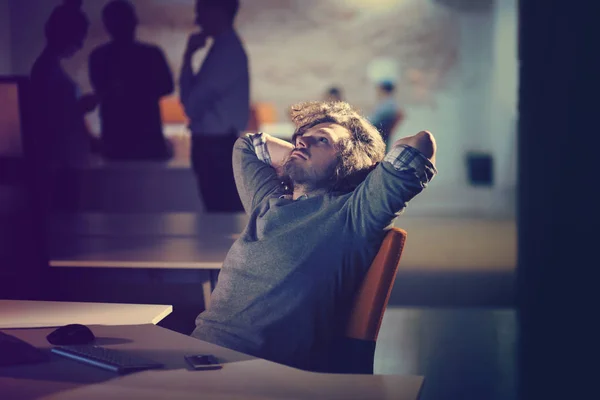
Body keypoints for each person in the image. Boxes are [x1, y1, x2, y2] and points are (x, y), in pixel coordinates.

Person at [191, 101, 437, 372]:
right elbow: (247, 145)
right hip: (200, 354)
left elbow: (420, 144)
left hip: (257, 371)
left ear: (351, 160)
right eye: (299, 137)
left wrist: (355, 170)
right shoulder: (267, 202)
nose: (301, 142)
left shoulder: (355, 213)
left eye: (321, 140)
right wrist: (307, 153)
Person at [179, 0, 249, 212]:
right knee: (222, 213)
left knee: (220, 212)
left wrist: (188, 55)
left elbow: (191, 105)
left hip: (215, 147)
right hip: (217, 145)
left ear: (218, 11)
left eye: (201, 12)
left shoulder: (225, 53)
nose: (197, 20)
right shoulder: (224, 49)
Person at [29, 0, 96, 212]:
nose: (81, 45)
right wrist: (80, 108)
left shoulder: (49, 67)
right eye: (80, 38)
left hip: (62, 160)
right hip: (58, 162)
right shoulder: (46, 69)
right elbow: (48, 118)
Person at [89, 0, 174, 161]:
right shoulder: (152, 54)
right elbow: (167, 87)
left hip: (115, 141)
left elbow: (103, 90)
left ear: (107, 26)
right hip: (148, 140)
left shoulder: (99, 57)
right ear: (135, 22)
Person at [369, 80, 404, 145]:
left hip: (377, 138)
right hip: (382, 138)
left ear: (383, 90)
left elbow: (372, 122)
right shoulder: (389, 103)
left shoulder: (387, 105)